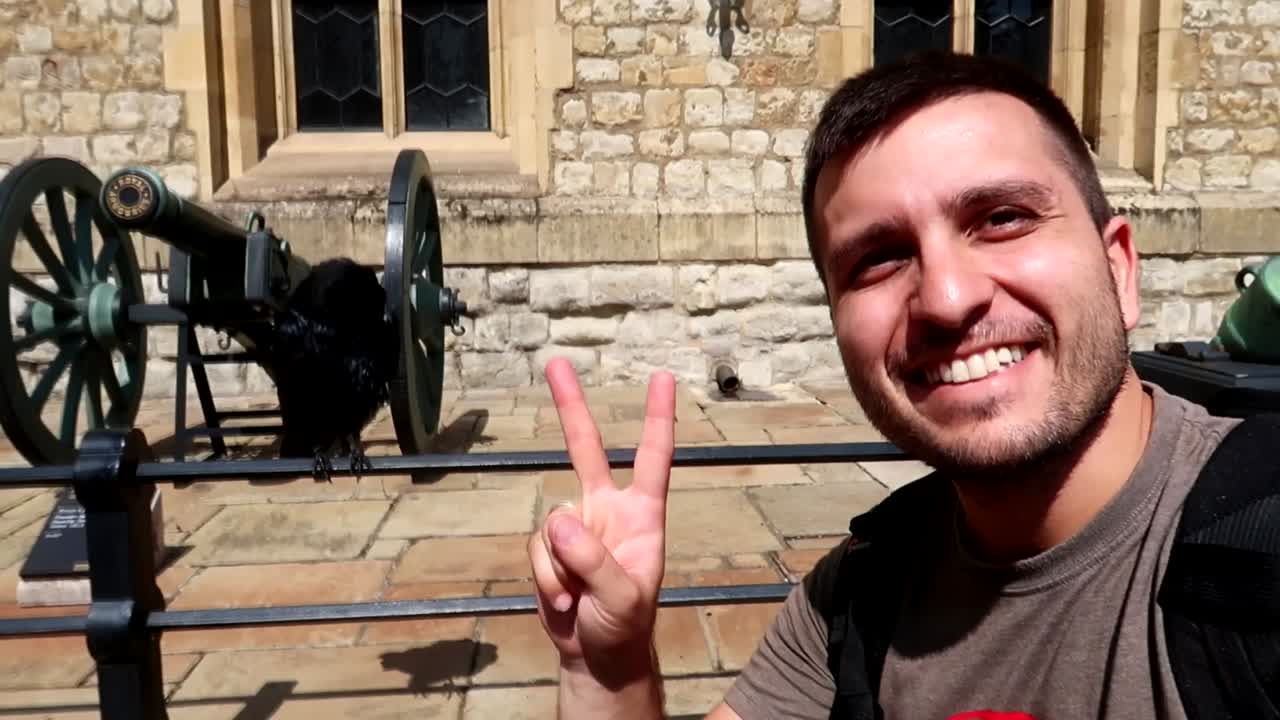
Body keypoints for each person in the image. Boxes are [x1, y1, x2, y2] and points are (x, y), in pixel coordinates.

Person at [525, 50, 1248, 719]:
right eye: (877, 259)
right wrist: (608, 667)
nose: (947, 298)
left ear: (1120, 269)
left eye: (1002, 219)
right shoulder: (851, 602)